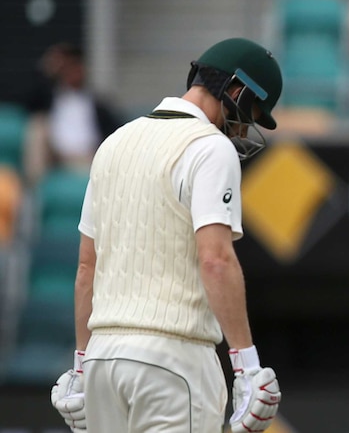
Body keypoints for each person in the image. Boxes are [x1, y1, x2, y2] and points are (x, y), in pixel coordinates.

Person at [50, 37, 284, 432]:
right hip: (174, 363)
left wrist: (80, 365)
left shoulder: (113, 143)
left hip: (104, 361)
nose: (244, 128)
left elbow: (87, 268)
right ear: (237, 91)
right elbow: (216, 259)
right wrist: (247, 366)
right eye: (252, 113)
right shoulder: (210, 147)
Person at [24, 43, 123, 181]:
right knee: (38, 127)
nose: (73, 73)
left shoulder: (96, 103)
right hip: (55, 157)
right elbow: (28, 102)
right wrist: (47, 69)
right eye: (68, 68)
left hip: (87, 156)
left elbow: (115, 129)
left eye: (76, 67)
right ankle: (34, 192)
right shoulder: (51, 97)